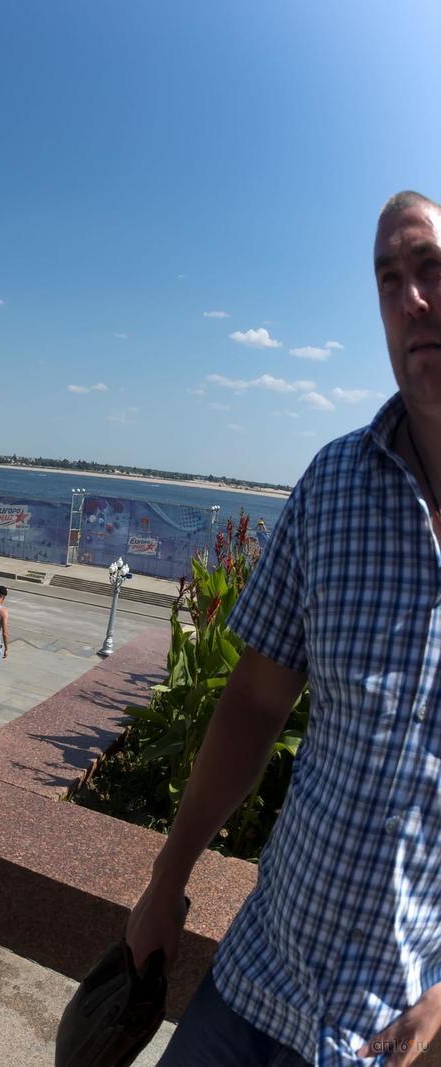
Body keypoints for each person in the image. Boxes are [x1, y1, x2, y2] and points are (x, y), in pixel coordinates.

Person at [126, 191, 441, 1066]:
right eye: (389, 279)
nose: (412, 298)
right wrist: (167, 878)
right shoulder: (333, 486)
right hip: (257, 976)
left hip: (388, 1028)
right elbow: (254, 704)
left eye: (431, 267)